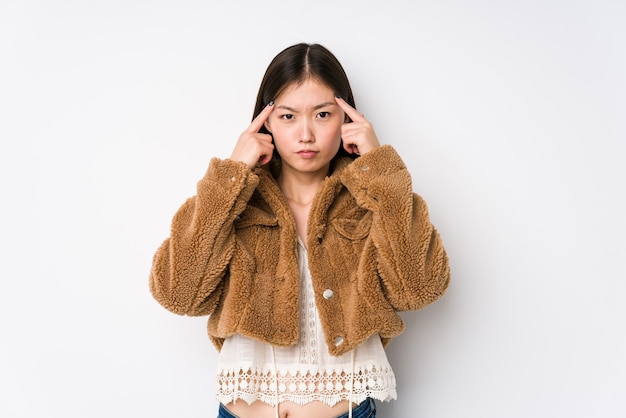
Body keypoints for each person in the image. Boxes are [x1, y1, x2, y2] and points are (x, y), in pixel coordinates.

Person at [149, 43, 451, 418]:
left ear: (347, 119)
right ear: (265, 122)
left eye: (322, 114)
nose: (305, 134)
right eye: (288, 116)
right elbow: (179, 294)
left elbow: (418, 289)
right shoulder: (235, 200)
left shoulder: (370, 197)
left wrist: (381, 170)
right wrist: (230, 177)